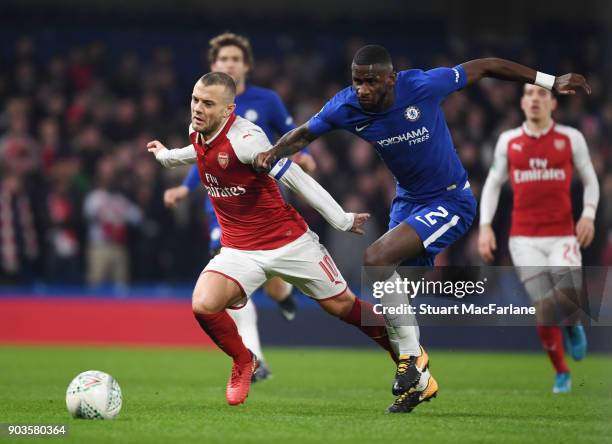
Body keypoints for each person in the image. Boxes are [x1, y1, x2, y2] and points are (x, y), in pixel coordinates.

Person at [253, 45, 591, 413]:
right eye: (357, 81)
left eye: (371, 82)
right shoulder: (345, 106)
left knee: (375, 258)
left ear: (391, 78)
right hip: (408, 204)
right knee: (397, 303)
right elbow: (303, 134)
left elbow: (488, 65)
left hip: (450, 201)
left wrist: (551, 80)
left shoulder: (423, 86)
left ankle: (412, 361)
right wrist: (271, 154)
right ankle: (420, 383)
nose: (363, 89)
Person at [147, 72, 403, 407]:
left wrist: (340, 218)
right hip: (239, 249)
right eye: (195, 99)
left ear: (228, 111)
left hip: (288, 243)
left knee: (342, 306)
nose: (197, 108)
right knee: (203, 304)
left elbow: (294, 176)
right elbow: (194, 152)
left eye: (207, 103)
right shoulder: (197, 129)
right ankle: (244, 360)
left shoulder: (247, 140)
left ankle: (404, 352)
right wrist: (166, 157)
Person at [163, 33, 315, 382]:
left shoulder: (268, 101)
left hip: (260, 205)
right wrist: (186, 191)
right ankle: (255, 358)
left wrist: (303, 156)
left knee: (273, 283)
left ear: (246, 65)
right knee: (231, 279)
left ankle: (283, 293)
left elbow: (292, 136)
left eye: (234, 59)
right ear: (213, 66)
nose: (228, 64)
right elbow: (201, 158)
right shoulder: (205, 107)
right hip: (221, 208)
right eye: (222, 60)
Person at [478, 84, 599, 393]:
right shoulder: (509, 141)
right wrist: (486, 226)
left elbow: (590, 179)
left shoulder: (570, 139)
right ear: (522, 102)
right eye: (529, 93)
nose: (535, 99)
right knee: (543, 305)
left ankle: (572, 325)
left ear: (553, 103)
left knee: (567, 295)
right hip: (524, 239)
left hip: (562, 236)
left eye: (541, 94)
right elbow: (492, 184)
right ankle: (561, 371)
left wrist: (588, 214)